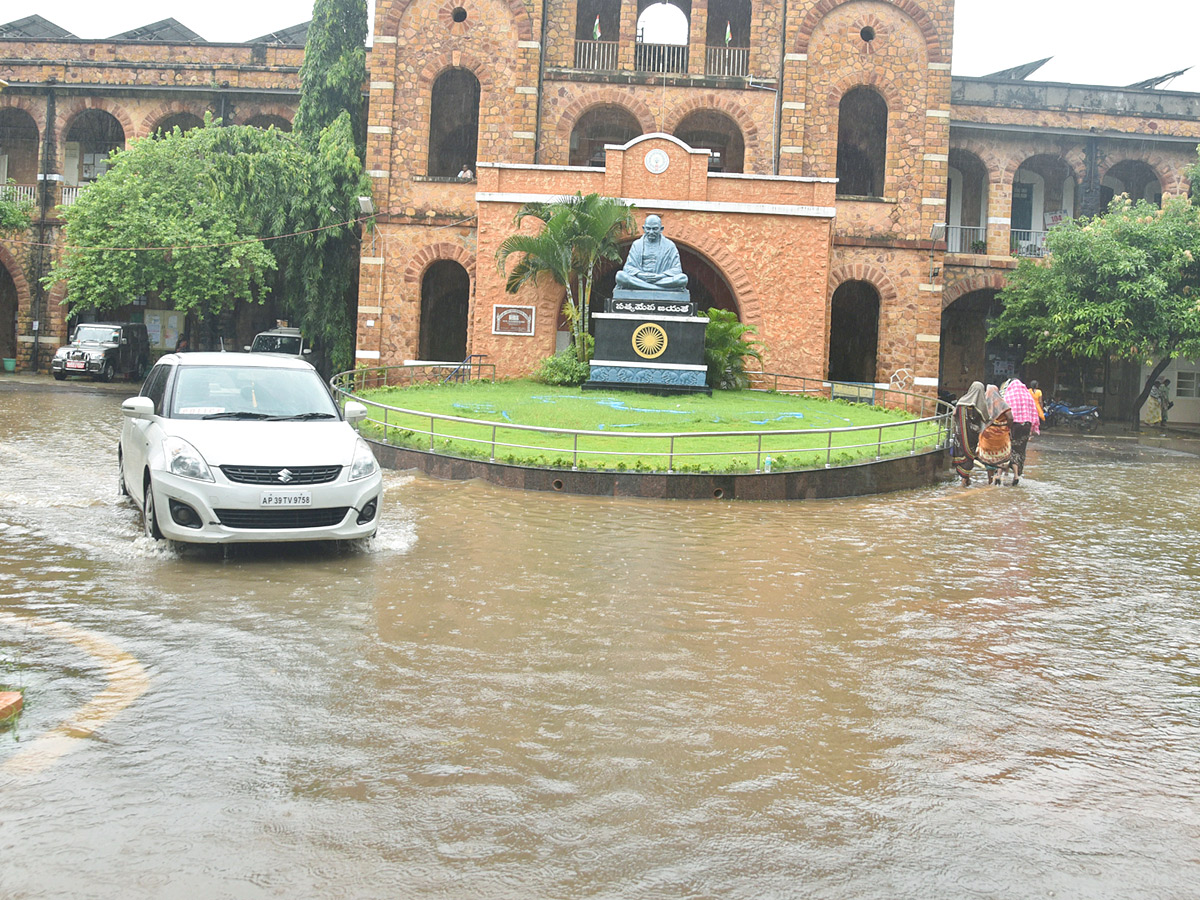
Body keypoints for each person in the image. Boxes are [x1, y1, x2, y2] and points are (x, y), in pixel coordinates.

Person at [615, 214, 689, 291]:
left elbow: (677, 269)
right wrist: (641, 275)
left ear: (661, 229)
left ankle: (643, 286)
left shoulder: (669, 245)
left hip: (661, 280)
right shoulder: (637, 245)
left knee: (682, 278)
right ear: (643, 228)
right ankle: (658, 288)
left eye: (655, 229)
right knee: (620, 276)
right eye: (648, 229)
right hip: (641, 279)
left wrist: (660, 276)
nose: (651, 232)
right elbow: (628, 267)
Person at [1002, 377, 1040, 486]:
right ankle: (1017, 473)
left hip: (1014, 426)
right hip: (1026, 426)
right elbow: (1034, 412)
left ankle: (1006, 473)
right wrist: (1033, 429)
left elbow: (1005, 413)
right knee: (1021, 450)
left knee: (1010, 449)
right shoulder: (1028, 396)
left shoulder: (1008, 396)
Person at [951, 381, 988, 486]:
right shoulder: (980, 404)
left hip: (960, 435)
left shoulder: (961, 401)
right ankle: (964, 480)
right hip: (972, 436)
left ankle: (965, 478)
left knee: (962, 454)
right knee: (969, 456)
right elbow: (986, 418)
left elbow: (954, 414)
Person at [978, 384, 1014, 484]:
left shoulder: (984, 404)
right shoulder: (1002, 404)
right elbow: (1010, 417)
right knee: (1001, 456)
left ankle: (990, 480)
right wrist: (1007, 426)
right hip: (1001, 433)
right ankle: (998, 475)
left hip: (988, 434)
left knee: (989, 458)